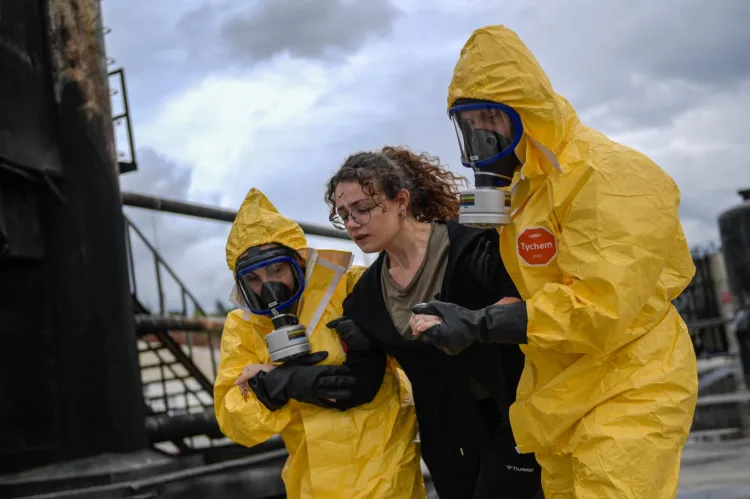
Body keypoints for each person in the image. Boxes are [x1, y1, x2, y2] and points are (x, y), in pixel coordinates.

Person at [410, 25, 698, 498]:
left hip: (629, 385)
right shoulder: (527, 191)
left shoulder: (609, 174)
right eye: (468, 124)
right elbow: (537, 288)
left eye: (491, 118)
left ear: (527, 112)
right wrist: (477, 304)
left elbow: (602, 308)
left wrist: (483, 324)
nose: (481, 136)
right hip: (560, 394)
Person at [324, 146, 543, 499]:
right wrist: (288, 377)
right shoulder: (364, 299)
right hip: (448, 446)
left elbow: (529, 305)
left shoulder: (471, 242)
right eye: (343, 215)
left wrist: (475, 322)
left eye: (363, 209)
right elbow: (363, 384)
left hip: (517, 422)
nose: (352, 224)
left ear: (401, 201)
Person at [214, 187, 425, 499]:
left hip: (383, 468)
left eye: (275, 270)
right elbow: (235, 422)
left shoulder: (349, 285)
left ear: (298, 263)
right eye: (254, 280)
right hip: (312, 482)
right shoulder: (243, 326)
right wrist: (275, 387)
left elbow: (418, 345)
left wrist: (374, 339)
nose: (268, 287)